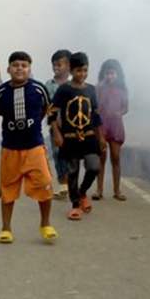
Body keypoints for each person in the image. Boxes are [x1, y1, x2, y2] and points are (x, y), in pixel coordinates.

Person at [0, 51, 57, 244]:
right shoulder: (0, 92)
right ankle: (6, 228)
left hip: (35, 147)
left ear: (29, 69)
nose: (20, 68)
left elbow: (45, 108)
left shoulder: (39, 89)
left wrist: (36, 121)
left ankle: (45, 224)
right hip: (10, 148)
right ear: (8, 69)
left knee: (45, 184)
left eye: (24, 65)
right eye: (16, 65)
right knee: (8, 188)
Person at [50, 52, 102, 221]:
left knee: (94, 166)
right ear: (71, 71)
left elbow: (95, 115)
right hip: (70, 138)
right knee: (72, 172)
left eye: (85, 70)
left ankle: (82, 192)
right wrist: (57, 134)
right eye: (78, 71)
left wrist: (101, 137)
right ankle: (75, 205)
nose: (82, 74)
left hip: (88, 137)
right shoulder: (64, 90)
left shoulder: (91, 90)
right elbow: (52, 112)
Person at [94, 58, 129, 201]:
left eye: (112, 73)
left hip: (116, 126)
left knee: (115, 158)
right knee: (101, 158)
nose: (110, 76)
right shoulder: (98, 88)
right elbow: (95, 107)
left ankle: (117, 190)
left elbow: (126, 107)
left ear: (118, 74)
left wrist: (120, 113)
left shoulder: (123, 89)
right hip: (102, 125)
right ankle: (99, 190)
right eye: (107, 74)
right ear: (103, 74)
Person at [44, 49, 71, 199]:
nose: (56, 68)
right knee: (57, 154)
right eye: (54, 65)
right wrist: (54, 122)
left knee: (71, 156)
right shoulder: (49, 84)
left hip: (73, 126)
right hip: (55, 126)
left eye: (59, 64)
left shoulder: (74, 84)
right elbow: (48, 106)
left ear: (68, 66)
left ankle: (70, 185)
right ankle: (63, 184)